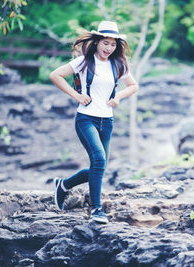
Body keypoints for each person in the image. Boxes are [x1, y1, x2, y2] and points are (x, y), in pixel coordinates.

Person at [49, 21, 138, 224]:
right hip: (86, 118)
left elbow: (133, 86)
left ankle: (63, 185)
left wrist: (119, 97)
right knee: (98, 160)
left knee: (99, 166)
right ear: (97, 42)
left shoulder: (118, 64)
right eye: (105, 43)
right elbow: (55, 75)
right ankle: (96, 209)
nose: (109, 48)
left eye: (113, 44)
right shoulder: (84, 61)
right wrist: (77, 95)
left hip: (107, 121)